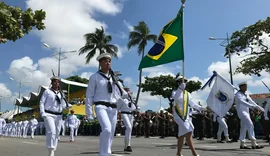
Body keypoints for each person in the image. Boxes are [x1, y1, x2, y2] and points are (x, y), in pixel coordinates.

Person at [86, 53, 125, 156]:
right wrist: (89, 113)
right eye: (105, 61)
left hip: (113, 108)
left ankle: (107, 152)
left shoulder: (114, 78)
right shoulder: (94, 77)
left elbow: (119, 93)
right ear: (100, 63)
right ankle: (103, 154)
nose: (108, 63)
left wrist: (125, 97)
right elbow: (89, 95)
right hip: (100, 106)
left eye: (109, 61)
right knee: (107, 129)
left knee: (111, 132)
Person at [172, 76, 204, 156]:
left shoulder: (188, 94)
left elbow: (192, 103)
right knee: (188, 132)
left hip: (186, 117)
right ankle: (194, 153)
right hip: (178, 116)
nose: (183, 83)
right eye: (180, 81)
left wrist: (200, 108)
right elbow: (175, 99)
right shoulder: (175, 92)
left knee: (181, 135)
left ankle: (178, 153)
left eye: (184, 81)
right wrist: (180, 89)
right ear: (178, 83)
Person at [40, 76, 72, 156]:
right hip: (49, 114)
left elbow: (63, 105)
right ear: (51, 82)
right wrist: (42, 112)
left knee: (57, 132)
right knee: (52, 131)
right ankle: (51, 150)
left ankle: (54, 148)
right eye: (55, 81)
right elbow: (41, 102)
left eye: (58, 82)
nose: (56, 83)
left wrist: (68, 106)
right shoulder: (47, 91)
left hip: (58, 115)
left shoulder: (61, 93)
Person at [235, 81, 264, 149]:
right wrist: (252, 107)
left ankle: (242, 144)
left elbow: (252, 101)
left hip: (246, 112)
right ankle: (254, 143)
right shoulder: (238, 94)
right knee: (250, 124)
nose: (246, 87)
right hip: (242, 112)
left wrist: (260, 107)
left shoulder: (246, 94)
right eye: (244, 86)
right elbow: (243, 102)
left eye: (246, 86)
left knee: (243, 128)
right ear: (240, 87)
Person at [117, 86, 136, 152]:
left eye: (129, 90)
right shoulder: (121, 98)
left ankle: (127, 145)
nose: (128, 91)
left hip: (131, 114)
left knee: (129, 130)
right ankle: (128, 145)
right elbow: (117, 108)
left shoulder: (132, 99)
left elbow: (134, 107)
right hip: (124, 113)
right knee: (128, 127)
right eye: (126, 90)